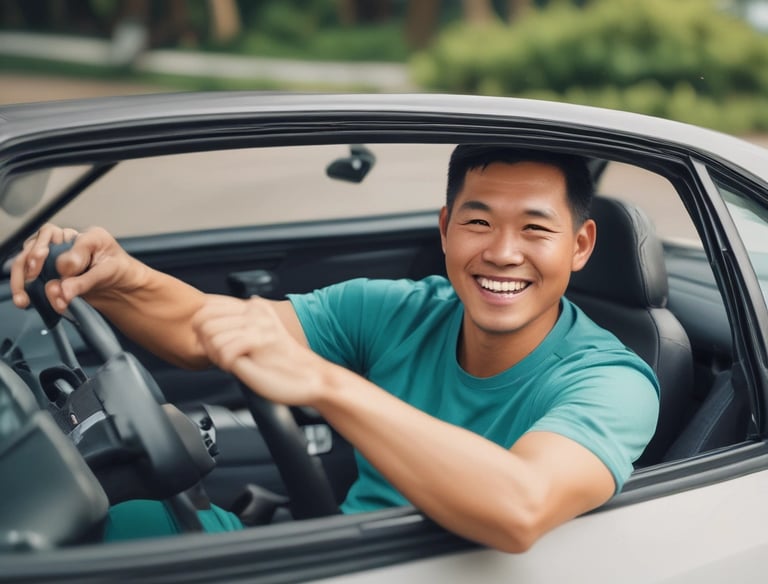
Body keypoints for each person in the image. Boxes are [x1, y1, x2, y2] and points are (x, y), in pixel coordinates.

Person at [10, 145, 659, 553]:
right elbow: (207, 328)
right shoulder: (399, 310)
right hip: (344, 551)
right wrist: (121, 278)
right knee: (116, 526)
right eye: (479, 222)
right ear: (445, 229)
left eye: (535, 229)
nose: (503, 252)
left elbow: (520, 507)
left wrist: (326, 383)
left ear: (580, 245)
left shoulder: (612, 381)